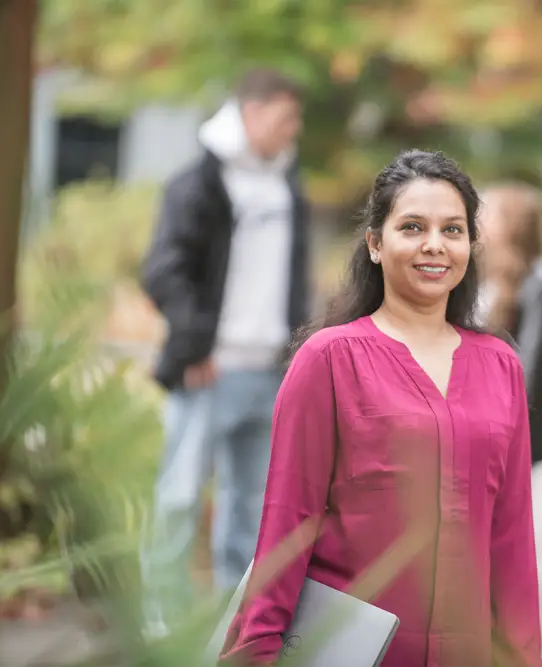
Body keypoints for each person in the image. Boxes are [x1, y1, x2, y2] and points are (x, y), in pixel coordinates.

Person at [219, 150, 542, 666]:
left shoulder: (500, 366)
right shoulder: (329, 359)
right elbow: (288, 523)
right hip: (353, 651)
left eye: (453, 230)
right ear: (375, 242)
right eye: (412, 227)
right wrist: (257, 650)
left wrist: (524, 658)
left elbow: (511, 536)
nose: (434, 246)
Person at [139, 66, 312, 633]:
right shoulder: (197, 184)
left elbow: (294, 277)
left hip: (270, 373)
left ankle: (235, 626)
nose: (295, 130)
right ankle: (160, 626)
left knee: (254, 506)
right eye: (287, 118)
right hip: (207, 372)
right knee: (179, 500)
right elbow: (163, 271)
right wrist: (193, 347)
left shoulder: (288, 185)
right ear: (255, 112)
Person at [476, 183, 542, 467]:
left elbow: (533, 363)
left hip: (508, 425)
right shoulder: (486, 278)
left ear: (511, 223)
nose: (480, 220)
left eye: (489, 214)